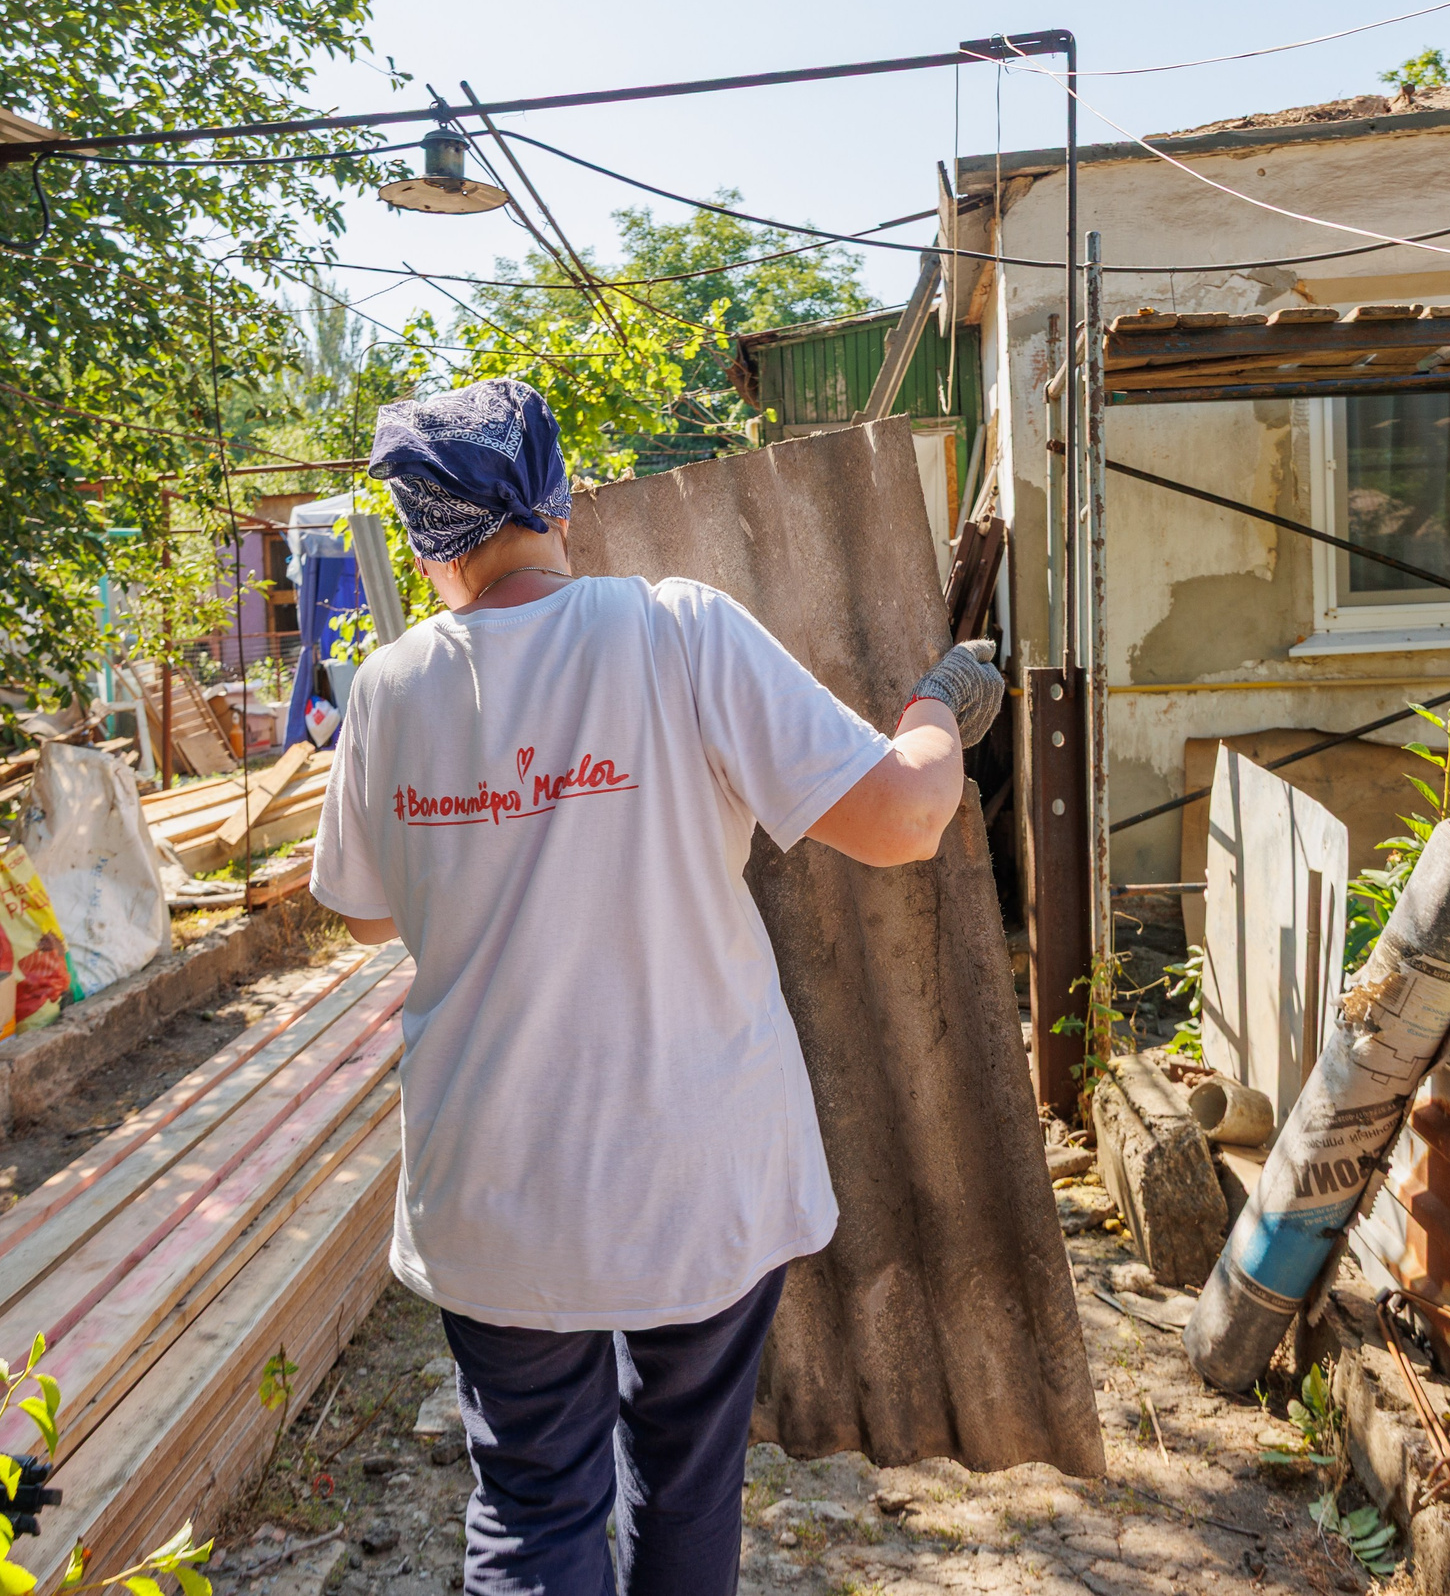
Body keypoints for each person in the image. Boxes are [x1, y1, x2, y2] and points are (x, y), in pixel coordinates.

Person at [309, 379, 1004, 1596]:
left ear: (426, 539)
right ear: (554, 499)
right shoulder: (677, 629)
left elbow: (367, 906)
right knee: (686, 1482)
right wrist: (936, 707)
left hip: (496, 1182)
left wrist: (480, 833)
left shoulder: (391, 687)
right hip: (692, 1172)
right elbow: (902, 818)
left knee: (530, 1503)